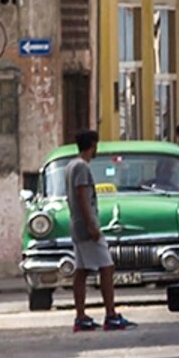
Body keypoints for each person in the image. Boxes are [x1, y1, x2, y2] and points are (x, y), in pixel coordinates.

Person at [64, 128, 130, 333]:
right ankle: (111, 314)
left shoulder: (70, 165)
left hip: (76, 224)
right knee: (107, 267)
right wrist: (91, 224)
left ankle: (81, 316)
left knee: (81, 271)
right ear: (92, 146)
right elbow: (83, 196)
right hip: (86, 225)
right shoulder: (82, 167)